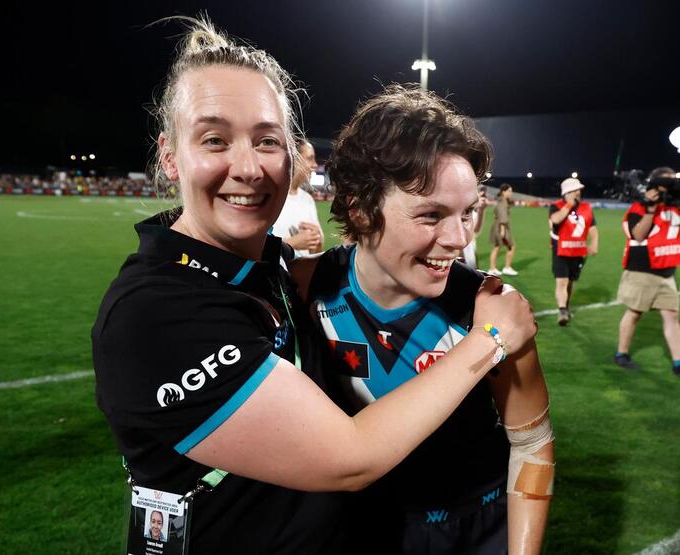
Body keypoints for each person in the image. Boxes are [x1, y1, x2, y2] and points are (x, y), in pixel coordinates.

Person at [91, 18, 536, 554]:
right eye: (214, 139)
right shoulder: (154, 312)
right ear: (169, 156)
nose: (249, 167)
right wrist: (489, 339)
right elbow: (350, 458)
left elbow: (532, 441)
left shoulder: (279, 273)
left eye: (267, 141)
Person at [293, 85, 554, 555]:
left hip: (475, 530)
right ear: (360, 207)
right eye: (432, 215)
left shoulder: (491, 305)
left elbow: (532, 443)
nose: (457, 238)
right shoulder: (306, 287)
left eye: (468, 212)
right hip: (357, 526)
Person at [614, 167, 680, 373]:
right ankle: (621, 353)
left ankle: (678, 360)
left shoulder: (675, 206)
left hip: (667, 270)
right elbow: (639, 235)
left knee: (671, 315)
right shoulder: (639, 207)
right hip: (642, 269)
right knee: (634, 312)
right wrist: (650, 209)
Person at [548, 177, 599, 326]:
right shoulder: (556, 206)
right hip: (561, 251)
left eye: (579, 190)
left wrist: (594, 243)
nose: (579, 192)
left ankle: (566, 305)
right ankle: (562, 310)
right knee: (562, 281)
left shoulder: (586, 208)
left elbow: (593, 228)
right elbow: (556, 220)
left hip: (578, 252)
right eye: (575, 190)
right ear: (567, 192)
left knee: (570, 282)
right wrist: (569, 204)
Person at [271, 139, 324, 255]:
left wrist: (317, 242)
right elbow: (256, 252)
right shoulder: (271, 197)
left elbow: (315, 253)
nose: (315, 165)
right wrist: (291, 243)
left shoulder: (307, 199)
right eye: (310, 158)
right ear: (294, 159)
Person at [488, 184, 518, 276]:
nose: (511, 193)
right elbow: (502, 216)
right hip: (501, 227)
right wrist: (502, 230)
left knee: (497, 247)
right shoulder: (502, 201)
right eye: (509, 191)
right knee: (511, 246)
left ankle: (493, 268)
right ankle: (506, 268)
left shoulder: (503, 200)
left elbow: (511, 205)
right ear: (503, 192)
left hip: (500, 226)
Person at [461, 184, 488, 268]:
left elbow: (475, 230)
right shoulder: (463, 207)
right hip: (462, 248)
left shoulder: (474, 211)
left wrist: (481, 210)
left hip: (470, 247)